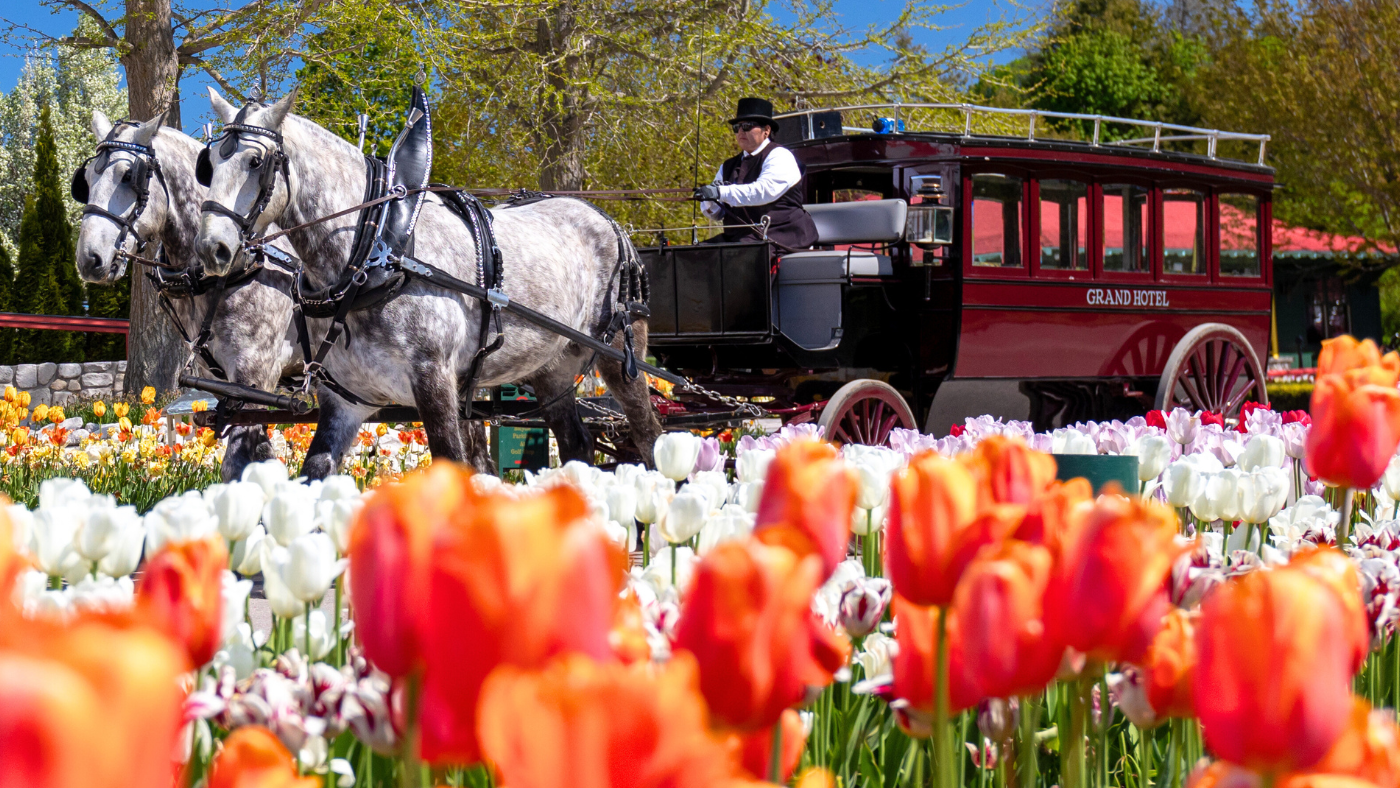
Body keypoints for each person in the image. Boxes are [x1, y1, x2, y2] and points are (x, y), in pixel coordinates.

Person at [693, 97, 819, 251]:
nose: (740, 131)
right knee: (693, 254)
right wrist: (709, 199)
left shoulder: (779, 156)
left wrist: (720, 191)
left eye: (747, 126)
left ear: (766, 130)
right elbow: (715, 214)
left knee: (740, 258)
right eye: (737, 128)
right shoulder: (727, 166)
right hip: (740, 239)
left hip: (781, 238)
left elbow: (763, 191)